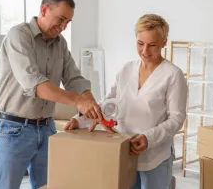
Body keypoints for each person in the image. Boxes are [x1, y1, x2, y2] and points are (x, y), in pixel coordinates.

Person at [0, 0, 107, 189]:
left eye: (68, 22)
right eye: (61, 19)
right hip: (14, 128)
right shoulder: (19, 36)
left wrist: (91, 104)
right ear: (44, 10)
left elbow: (74, 78)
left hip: (47, 128)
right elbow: (35, 84)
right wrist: (78, 101)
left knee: (49, 185)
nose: (63, 27)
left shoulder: (60, 43)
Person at [64, 14, 188, 189]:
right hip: (123, 151)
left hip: (155, 157)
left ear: (164, 43)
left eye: (152, 45)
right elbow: (107, 103)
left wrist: (149, 138)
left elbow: (177, 118)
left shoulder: (173, 75)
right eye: (140, 44)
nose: (145, 51)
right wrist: (80, 120)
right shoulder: (126, 69)